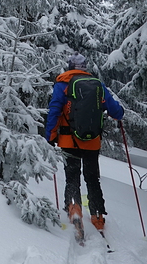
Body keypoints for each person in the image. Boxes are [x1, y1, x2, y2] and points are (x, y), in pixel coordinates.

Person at [45, 53, 124, 234]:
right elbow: (114, 110)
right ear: (85, 67)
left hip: (68, 140)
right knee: (92, 178)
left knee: (72, 176)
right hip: (92, 142)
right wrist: (120, 113)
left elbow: (54, 111)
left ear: (69, 66)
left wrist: (50, 136)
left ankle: (74, 209)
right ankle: (97, 217)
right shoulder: (97, 85)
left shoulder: (62, 85)